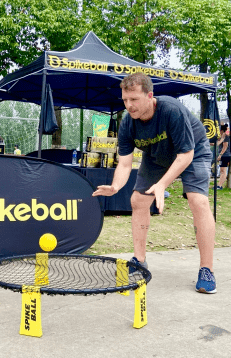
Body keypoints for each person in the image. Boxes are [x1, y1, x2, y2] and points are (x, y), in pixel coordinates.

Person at [92, 73, 217, 294]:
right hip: (157, 156)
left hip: (192, 152)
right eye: (125, 100)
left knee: (198, 201)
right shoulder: (128, 124)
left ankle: (206, 269)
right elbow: (124, 164)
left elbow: (186, 155)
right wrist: (115, 186)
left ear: (150, 96)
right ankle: (139, 260)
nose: (129, 106)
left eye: (134, 100)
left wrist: (162, 185)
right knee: (138, 200)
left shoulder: (171, 110)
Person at [216, 124, 231, 189]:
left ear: (221, 130)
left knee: (223, 171)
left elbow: (225, 146)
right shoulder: (221, 137)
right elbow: (216, 144)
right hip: (223, 155)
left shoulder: (226, 136)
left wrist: (220, 155)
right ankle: (219, 185)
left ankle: (219, 186)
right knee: (221, 171)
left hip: (225, 155)